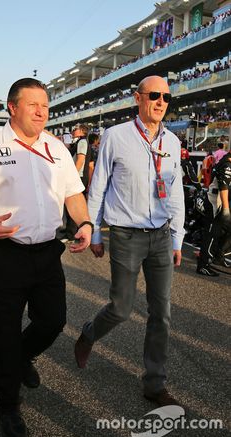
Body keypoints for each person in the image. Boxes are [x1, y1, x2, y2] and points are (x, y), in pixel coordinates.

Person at [0, 78, 93, 437]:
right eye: (34, 105)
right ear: (12, 107)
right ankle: (7, 404)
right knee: (4, 330)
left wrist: (86, 223)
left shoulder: (56, 148)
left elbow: (73, 193)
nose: (42, 111)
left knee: (53, 320)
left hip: (46, 252)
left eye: (45, 105)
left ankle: (21, 358)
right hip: (4, 253)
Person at [74, 75, 185, 407]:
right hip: (125, 234)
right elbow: (98, 188)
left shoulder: (174, 142)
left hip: (162, 236)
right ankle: (90, 333)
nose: (161, 101)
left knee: (161, 313)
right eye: (154, 95)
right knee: (121, 309)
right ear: (138, 98)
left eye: (166, 96)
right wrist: (93, 231)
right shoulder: (115, 136)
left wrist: (178, 237)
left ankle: (154, 382)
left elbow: (175, 190)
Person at [196, 149, 231, 275]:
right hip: (215, 202)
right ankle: (203, 265)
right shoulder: (227, 164)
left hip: (217, 200)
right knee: (211, 234)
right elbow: (223, 188)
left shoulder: (224, 161)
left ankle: (217, 256)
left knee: (217, 232)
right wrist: (226, 210)